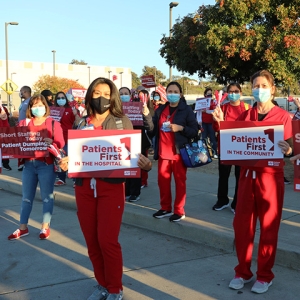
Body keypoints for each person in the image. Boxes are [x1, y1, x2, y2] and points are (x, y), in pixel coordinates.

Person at [212, 70, 293, 294]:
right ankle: (242, 271)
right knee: (242, 227)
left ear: (272, 88)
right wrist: (220, 123)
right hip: (247, 177)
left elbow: (289, 147)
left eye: (264, 85)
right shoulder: (244, 116)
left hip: (270, 180)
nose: (259, 89)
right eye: (256, 85)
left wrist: (289, 150)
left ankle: (265, 275)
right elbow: (231, 142)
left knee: (268, 228)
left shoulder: (283, 116)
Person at [73, 77, 134, 300]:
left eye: (107, 94)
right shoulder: (80, 123)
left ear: (113, 97)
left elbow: (130, 155)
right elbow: (73, 155)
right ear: (90, 95)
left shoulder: (121, 121)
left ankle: (115, 288)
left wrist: (142, 160)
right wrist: (65, 161)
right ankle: (103, 284)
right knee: (91, 242)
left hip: (111, 189)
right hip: (83, 189)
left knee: (107, 241)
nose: (102, 98)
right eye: (97, 93)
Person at [8, 94, 65, 240]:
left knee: (47, 197)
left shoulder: (53, 123)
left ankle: (45, 227)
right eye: (34, 105)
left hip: (46, 165)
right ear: (30, 108)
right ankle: (23, 228)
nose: (37, 108)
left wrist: (51, 142)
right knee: (26, 197)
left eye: (40, 105)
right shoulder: (24, 123)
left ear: (45, 106)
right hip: (28, 165)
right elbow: (14, 139)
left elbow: (60, 144)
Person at [149, 81, 198, 222]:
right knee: (162, 182)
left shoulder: (186, 110)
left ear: (180, 94)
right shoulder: (160, 110)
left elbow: (194, 131)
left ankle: (179, 210)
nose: (172, 94)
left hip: (178, 153)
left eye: (175, 92)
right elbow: (152, 130)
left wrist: (181, 128)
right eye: (169, 91)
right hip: (163, 153)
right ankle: (165, 208)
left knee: (180, 182)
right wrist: (147, 116)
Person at [212, 83, 251, 213]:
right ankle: (222, 200)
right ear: (227, 93)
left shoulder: (247, 108)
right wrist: (216, 120)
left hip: (241, 148)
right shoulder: (222, 108)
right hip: (225, 147)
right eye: (231, 91)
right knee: (223, 175)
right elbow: (216, 128)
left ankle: (237, 203)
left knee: (240, 176)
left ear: (241, 93)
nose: (233, 93)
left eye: (236, 91)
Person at [119, 87, 153, 201]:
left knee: (135, 168)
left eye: (125, 93)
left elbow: (149, 127)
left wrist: (145, 114)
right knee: (124, 168)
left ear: (130, 95)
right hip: (121, 141)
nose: (123, 96)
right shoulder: (116, 109)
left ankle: (135, 192)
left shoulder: (138, 107)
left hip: (137, 141)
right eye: (121, 94)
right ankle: (126, 191)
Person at [53, 91, 79, 186]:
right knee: (60, 159)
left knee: (71, 158)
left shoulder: (70, 110)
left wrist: (76, 114)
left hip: (69, 138)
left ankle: (75, 180)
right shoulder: (53, 110)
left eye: (62, 98)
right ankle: (61, 179)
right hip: (58, 139)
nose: (61, 100)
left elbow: (77, 122)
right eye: (58, 98)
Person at [201, 87, 218, 158]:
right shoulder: (201, 102)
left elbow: (215, 111)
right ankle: (204, 153)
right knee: (203, 138)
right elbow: (199, 112)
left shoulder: (214, 102)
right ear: (205, 94)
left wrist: (207, 111)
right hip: (203, 123)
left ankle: (214, 153)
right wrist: (199, 122)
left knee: (212, 138)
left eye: (211, 94)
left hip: (211, 123)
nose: (210, 95)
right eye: (208, 94)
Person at [0, 103, 12, 170]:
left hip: (4, 131)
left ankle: (5, 164)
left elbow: (6, 119)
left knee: (5, 148)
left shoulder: (3, 108)